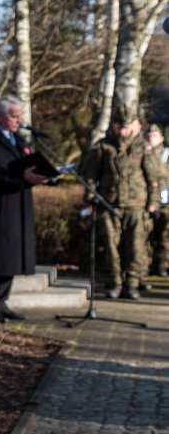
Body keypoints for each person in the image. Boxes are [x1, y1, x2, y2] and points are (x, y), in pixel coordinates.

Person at [0, 95, 52, 322]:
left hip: (17, 205)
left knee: (10, 255)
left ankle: (2, 301)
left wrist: (48, 174)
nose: (19, 120)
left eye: (20, 115)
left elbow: (28, 164)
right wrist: (19, 175)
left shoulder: (17, 140)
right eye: (14, 116)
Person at [79, 113, 162, 300]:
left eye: (128, 125)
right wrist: (90, 199)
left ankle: (132, 283)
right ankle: (115, 282)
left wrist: (153, 202)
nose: (124, 130)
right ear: (114, 126)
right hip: (110, 204)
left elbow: (153, 178)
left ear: (135, 126)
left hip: (136, 204)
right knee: (111, 245)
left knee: (136, 246)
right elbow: (91, 176)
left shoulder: (142, 147)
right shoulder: (103, 146)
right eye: (120, 126)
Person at [148, 125, 169, 275]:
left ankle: (162, 264)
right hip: (148, 200)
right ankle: (147, 265)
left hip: (165, 200)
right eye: (149, 135)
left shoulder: (166, 154)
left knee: (164, 234)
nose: (151, 138)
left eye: (154, 135)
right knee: (147, 234)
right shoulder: (142, 153)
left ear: (161, 138)